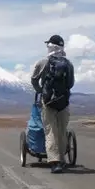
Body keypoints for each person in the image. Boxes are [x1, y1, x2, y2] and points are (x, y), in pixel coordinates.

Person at [30, 34, 75, 173]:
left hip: (48, 102)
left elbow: (34, 80)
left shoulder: (42, 62)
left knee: (50, 131)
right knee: (62, 131)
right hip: (64, 103)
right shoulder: (68, 64)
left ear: (50, 47)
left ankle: (54, 162)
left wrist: (41, 91)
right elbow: (71, 83)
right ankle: (62, 160)